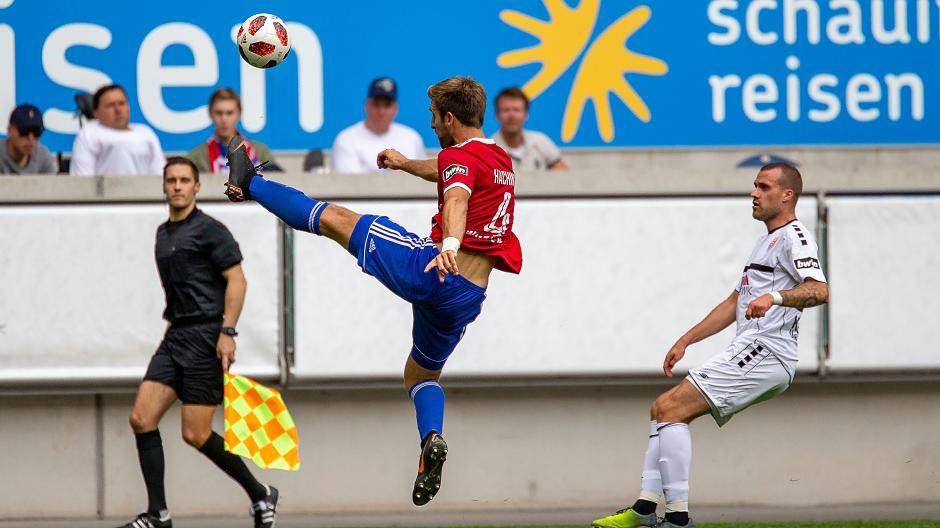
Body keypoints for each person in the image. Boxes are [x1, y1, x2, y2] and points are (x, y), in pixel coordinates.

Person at [223, 76, 522, 506]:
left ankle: (250, 182)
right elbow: (449, 172)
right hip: (467, 297)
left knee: (336, 220)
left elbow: (456, 196)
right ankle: (431, 438)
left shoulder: (458, 158)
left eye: (434, 116)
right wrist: (405, 163)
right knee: (420, 376)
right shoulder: (498, 158)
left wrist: (450, 245)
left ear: (449, 118)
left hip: (435, 270)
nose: (431, 123)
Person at [591, 163, 829, 528]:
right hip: (756, 350)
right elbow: (734, 303)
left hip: (767, 351)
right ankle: (644, 509)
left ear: (787, 196)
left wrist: (775, 298)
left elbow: (819, 290)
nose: (754, 193)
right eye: (754, 185)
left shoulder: (795, 237)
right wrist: (686, 340)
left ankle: (677, 519)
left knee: (672, 409)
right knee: (661, 408)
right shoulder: (766, 240)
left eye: (763, 187)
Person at [119, 157, 278, 528]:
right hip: (175, 335)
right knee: (141, 418)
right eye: (171, 180)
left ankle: (260, 493)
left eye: (184, 180)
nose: (177, 186)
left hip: (207, 337)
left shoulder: (210, 230)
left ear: (196, 186)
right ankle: (158, 515)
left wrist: (227, 332)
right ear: (164, 186)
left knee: (195, 433)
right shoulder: (163, 233)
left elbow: (238, 281)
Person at [330, 77, 426, 174]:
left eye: (387, 105)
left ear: (395, 108)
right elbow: (348, 181)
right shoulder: (346, 139)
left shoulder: (412, 138)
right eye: (376, 104)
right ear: (366, 105)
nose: (381, 111)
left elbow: (422, 177)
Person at [70, 84, 165, 176]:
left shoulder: (146, 133)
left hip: (145, 187)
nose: (118, 110)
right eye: (110, 105)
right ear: (96, 112)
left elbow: (160, 174)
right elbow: (82, 178)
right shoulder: (88, 134)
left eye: (121, 103)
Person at [186, 88, 279, 175]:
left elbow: (278, 179)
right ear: (210, 114)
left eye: (229, 113)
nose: (224, 119)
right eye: (219, 113)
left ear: (239, 114)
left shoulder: (260, 151)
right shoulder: (196, 157)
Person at [491, 87, 567, 171]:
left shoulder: (540, 140)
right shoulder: (489, 149)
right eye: (506, 110)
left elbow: (562, 170)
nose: (512, 116)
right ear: (497, 115)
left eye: (516, 110)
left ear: (526, 114)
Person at [0, 104, 57, 174]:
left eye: (37, 132)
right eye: (24, 130)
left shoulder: (43, 157)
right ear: (10, 130)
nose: (30, 138)